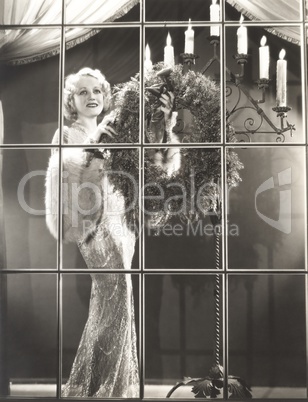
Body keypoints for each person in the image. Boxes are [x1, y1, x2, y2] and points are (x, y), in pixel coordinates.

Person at [45, 67, 181, 398]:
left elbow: (156, 168)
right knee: (116, 290)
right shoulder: (65, 134)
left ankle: (102, 385)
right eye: (83, 92)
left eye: (97, 92)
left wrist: (164, 127)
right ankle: (108, 387)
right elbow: (68, 175)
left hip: (123, 221)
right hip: (92, 224)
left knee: (113, 299)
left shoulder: (118, 129)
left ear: (106, 97)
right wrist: (97, 142)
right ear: (71, 101)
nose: (91, 97)